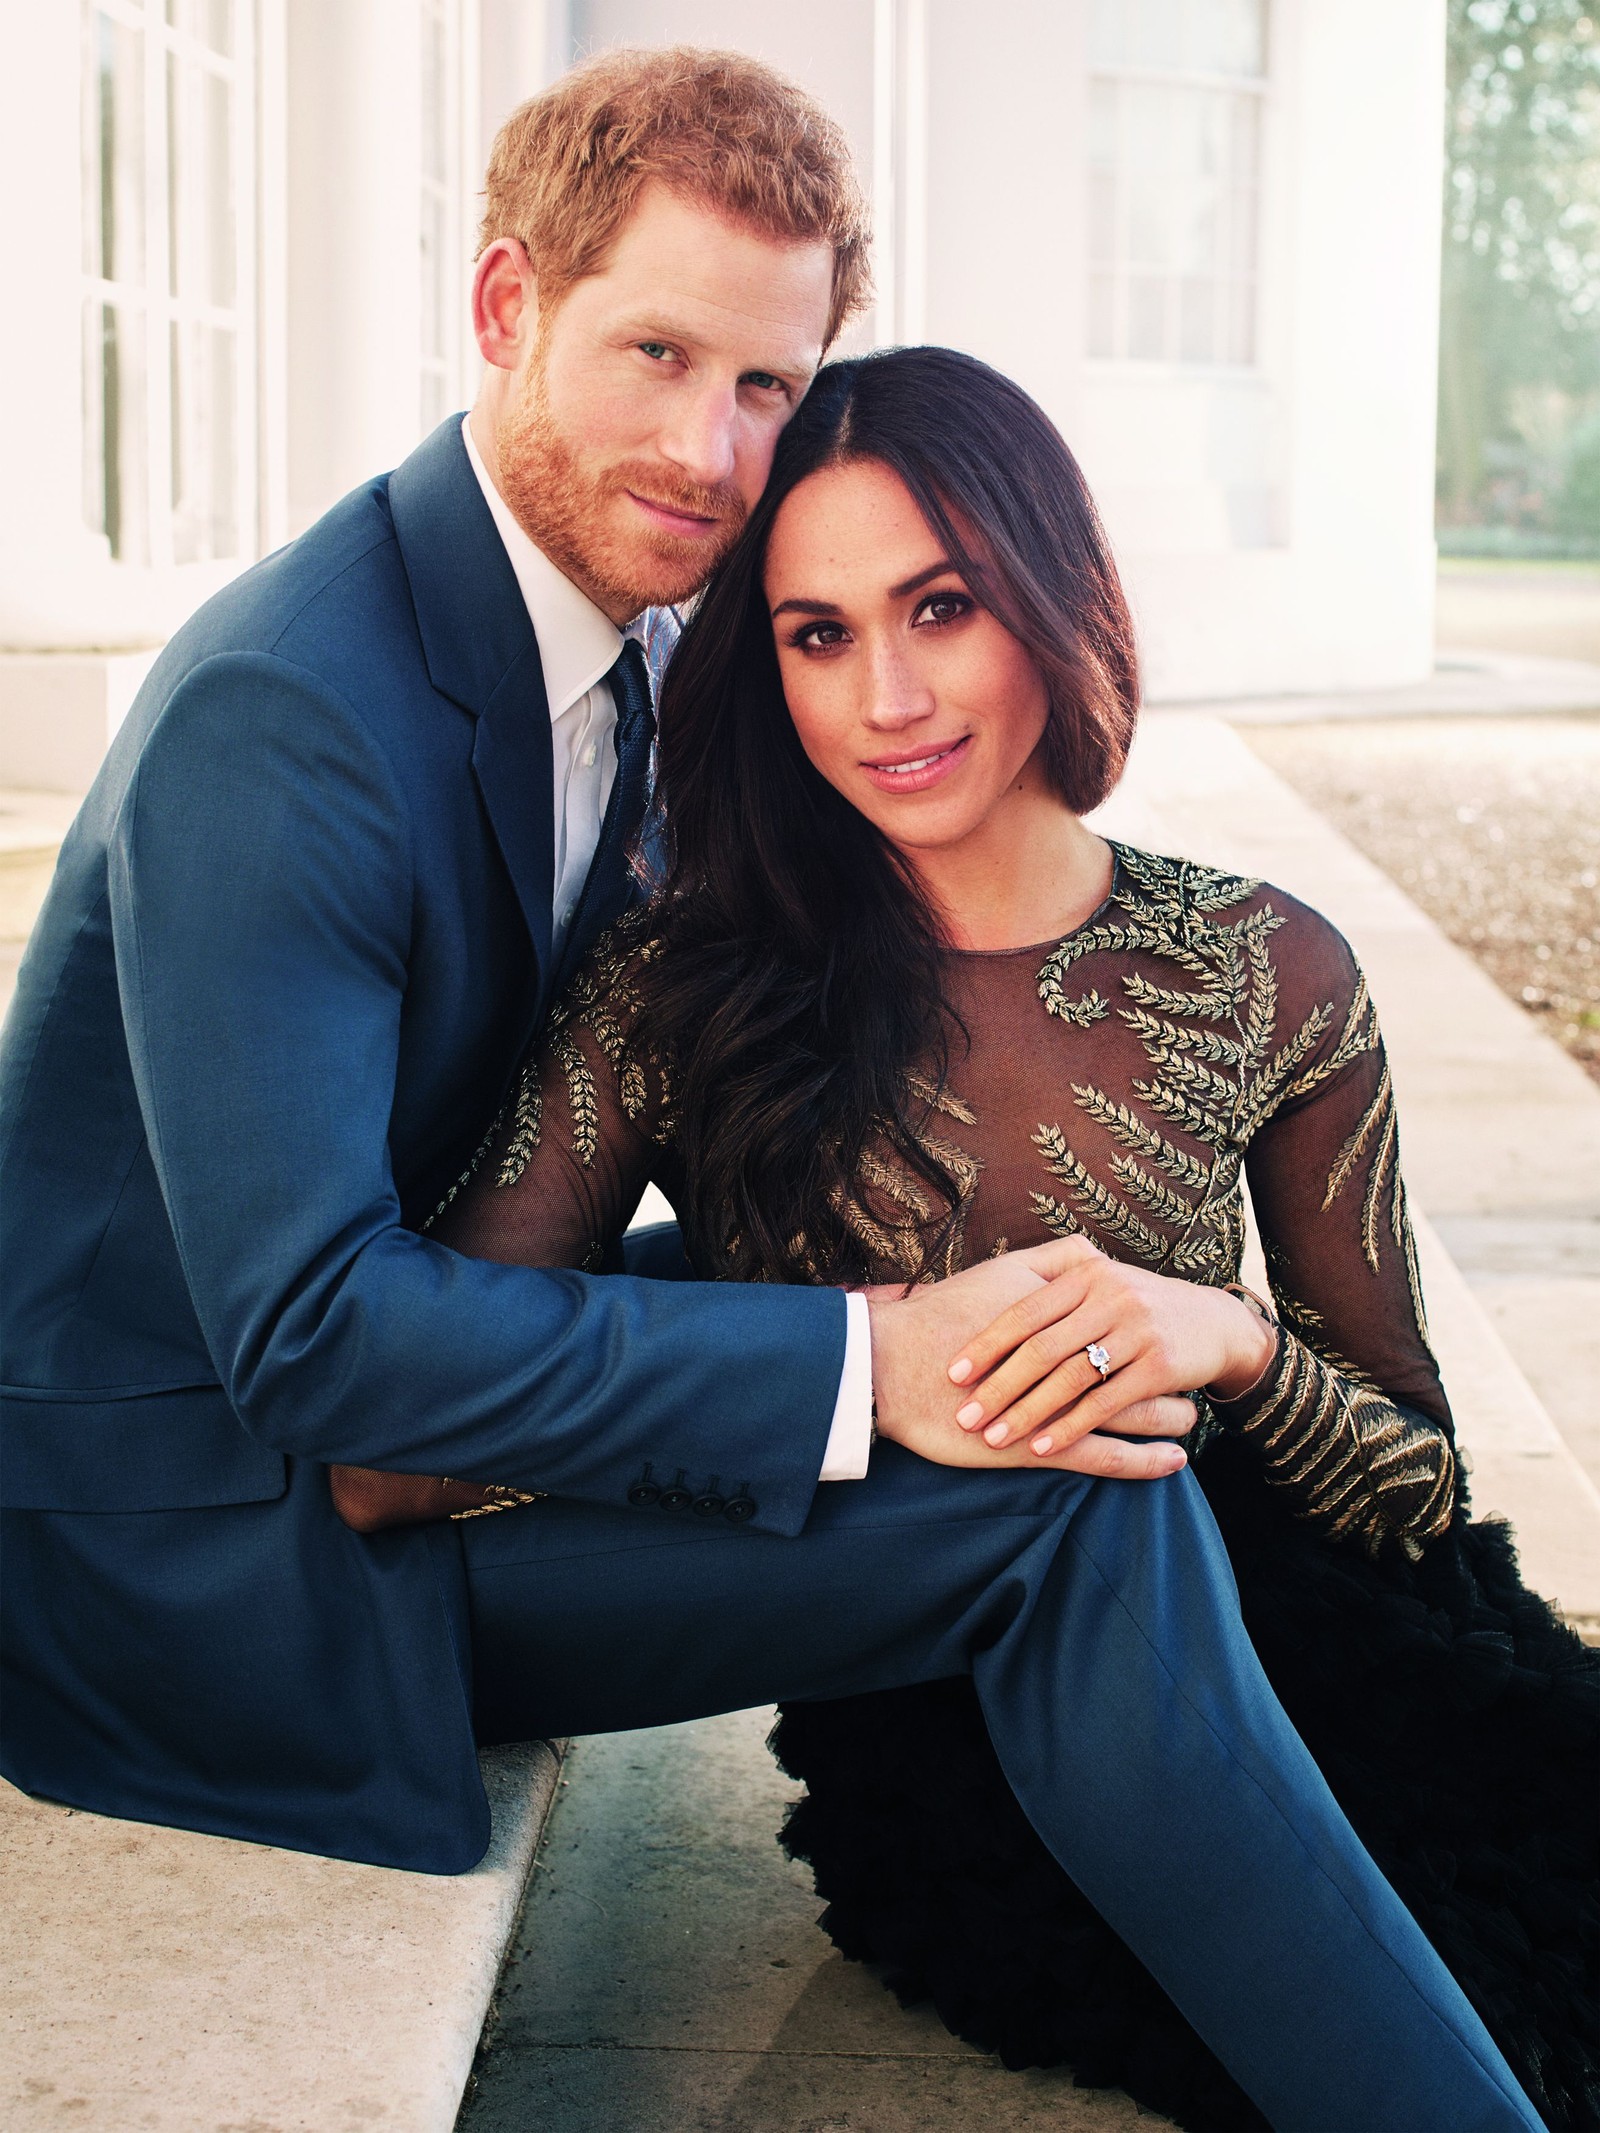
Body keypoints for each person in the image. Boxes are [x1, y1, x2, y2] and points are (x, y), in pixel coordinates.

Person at [0, 45, 1555, 2133]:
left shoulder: (627, 628)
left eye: (759, 383)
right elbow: (309, 1345)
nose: (707, 448)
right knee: (1048, 1483)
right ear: (501, 310)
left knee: (1051, 1383)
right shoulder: (294, 713)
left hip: (393, 1399)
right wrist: (856, 1352)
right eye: (652, 350)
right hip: (221, 1552)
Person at [409, 345, 1597, 2133]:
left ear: (1051, 598)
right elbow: (439, 1379)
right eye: (817, 633)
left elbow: (1418, 1476)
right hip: (966, 1735)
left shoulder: (1266, 970)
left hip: (1344, 1635)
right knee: (1489, 2040)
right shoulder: (686, 988)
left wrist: (1232, 1341)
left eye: (941, 606)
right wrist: (825, 1396)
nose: (887, 694)